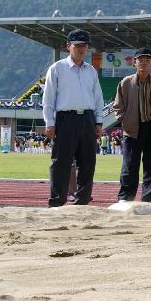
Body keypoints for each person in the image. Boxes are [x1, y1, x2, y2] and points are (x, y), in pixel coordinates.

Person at [41, 29, 105, 207]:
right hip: (65, 119)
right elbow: (48, 99)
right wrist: (49, 123)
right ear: (68, 46)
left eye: (84, 46)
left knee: (87, 162)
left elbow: (98, 98)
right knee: (61, 162)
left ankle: (83, 200)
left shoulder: (91, 71)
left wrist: (99, 121)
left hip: (87, 119)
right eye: (77, 46)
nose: (81, 49)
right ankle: (57, 201)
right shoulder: (57, 69)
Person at [112, 48, 151, 202]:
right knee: (130, 165)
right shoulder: (126, 82)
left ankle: (148, 196)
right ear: (134, 62)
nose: (144, 63)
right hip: (132, 130)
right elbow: (117, 106)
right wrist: (125, 120)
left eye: (147, 60)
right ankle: (125, 196)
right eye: (140, 60)